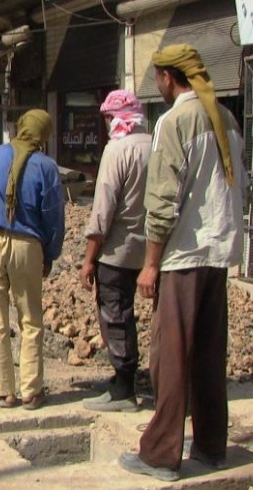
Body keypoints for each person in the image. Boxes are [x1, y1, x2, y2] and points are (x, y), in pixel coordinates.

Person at [118, 44, 246, 482]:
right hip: (218, 255)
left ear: (168, 78)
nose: (157, 85)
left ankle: (160, 454)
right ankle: (211, 447)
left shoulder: (174, 121)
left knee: (170, 358)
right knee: (209, 355)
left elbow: (163, 202)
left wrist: (151, 263)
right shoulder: (225, 118)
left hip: (184, 257)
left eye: (157, 77)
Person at [0, 109, 64, 411]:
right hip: (27, 246)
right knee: (31, 320)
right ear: (44, 134)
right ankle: (31, 391)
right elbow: (54, 217)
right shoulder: (47, 167)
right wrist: (50, 254)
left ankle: (4, 392)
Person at [79, 90, 152, 413]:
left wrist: (88, 259)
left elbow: (102, 210)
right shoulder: (157, 145)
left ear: (114, 119)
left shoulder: (117, 150)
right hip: (153, 251)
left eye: (108, 118)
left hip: (118, 253)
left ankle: (124, 389)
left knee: (116, 316)